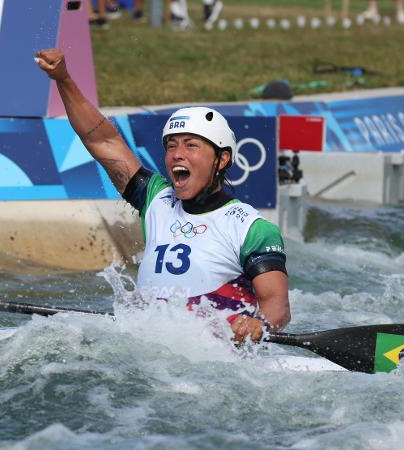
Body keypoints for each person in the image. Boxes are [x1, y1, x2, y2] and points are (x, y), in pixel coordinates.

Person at [34, 48, 291, 344]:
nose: (177, 155)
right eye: (171, 146)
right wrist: (63, 78)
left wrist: (258, 324)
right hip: (151, 353)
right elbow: (101, 139)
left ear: (222, 160)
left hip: (220, 360)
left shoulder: (251, 228)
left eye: (191, 145)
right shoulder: (155, 198)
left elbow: (278, 305)